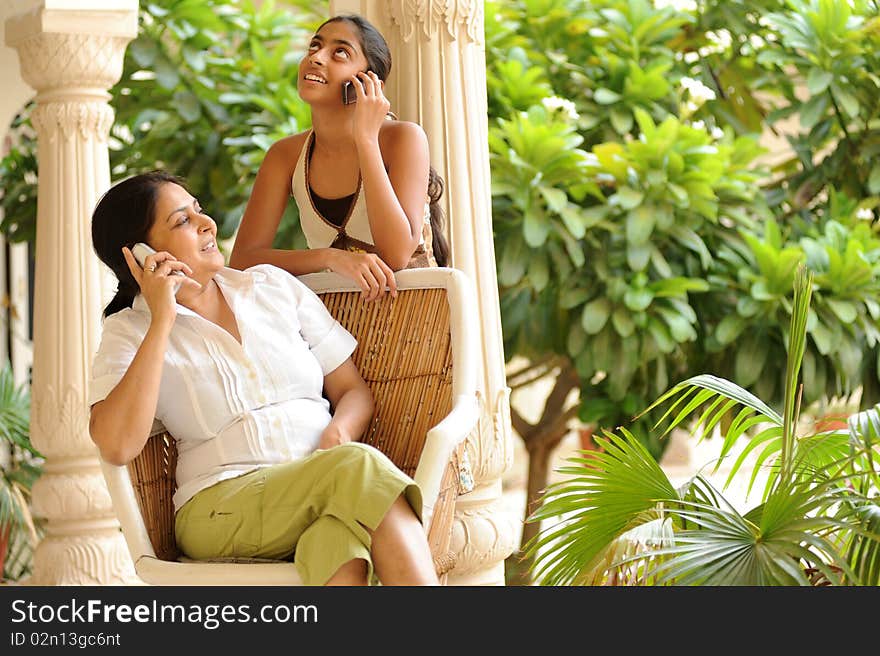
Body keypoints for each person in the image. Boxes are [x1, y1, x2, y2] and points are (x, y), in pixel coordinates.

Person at [88, 171, 439, 586]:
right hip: (219, 505)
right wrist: (162, 318)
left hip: (322, 482)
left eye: (199, 211)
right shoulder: (129, 331)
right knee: (358, 468)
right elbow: (116, 444)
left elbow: (352, 391)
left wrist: (339, 435)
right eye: (182, 221)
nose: (207, 225)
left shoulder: (272, 287)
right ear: (140, 254)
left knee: (338, 540)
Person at [229, 13, 449, 301]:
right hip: (334, 324)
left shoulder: (404, 139)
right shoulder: (284, 156)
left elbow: (395, 255)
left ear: (368, 82)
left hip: (415, 322)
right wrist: (328, 258)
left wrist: (366, 139)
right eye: (315, 46)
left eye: (340, 52)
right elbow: (243, 260)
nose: (317, 57)